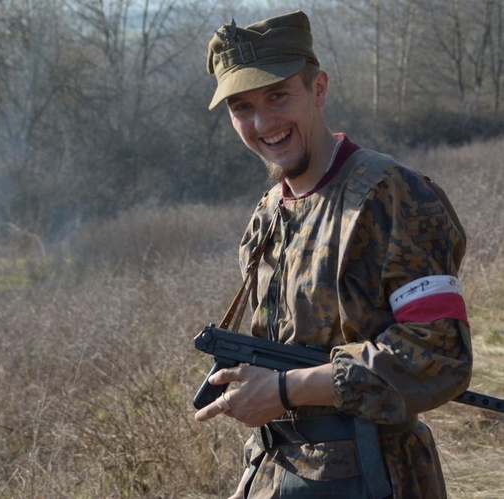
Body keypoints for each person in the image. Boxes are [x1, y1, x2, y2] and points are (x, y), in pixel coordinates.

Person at [194, 10, 473, 499]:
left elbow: (439, 352)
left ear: (318, 89)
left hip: (375, 477)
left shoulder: (391, 195)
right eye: (242, 107)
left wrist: (284, 390)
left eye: (278, 95)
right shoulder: (267, 214)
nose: (263, 122)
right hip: (274, 473)